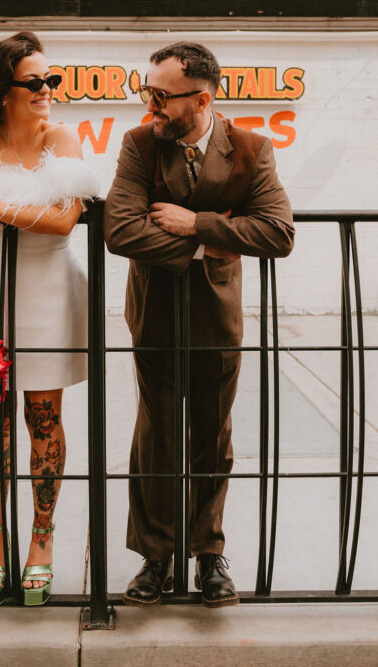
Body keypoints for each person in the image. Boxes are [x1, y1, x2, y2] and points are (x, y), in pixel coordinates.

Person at [104, 41, 294, 608]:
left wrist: (197, 223)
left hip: (216, 318)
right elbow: (118, 230)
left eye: (160, 96)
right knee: (157, 432)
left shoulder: (252, 150)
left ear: (201, 98)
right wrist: (208, 242)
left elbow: (279, 233)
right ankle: (155, 557)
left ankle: (209, 553)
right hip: (155, 313)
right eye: (147, 93)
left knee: (212, 435)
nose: (150, 106)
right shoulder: (139, 145)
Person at [0, 31, 99, 607]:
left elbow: (63, 220)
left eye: (51, 79)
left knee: (43, 418)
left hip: (49, 287)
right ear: (1, 90)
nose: (47, 90)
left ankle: (41, 540)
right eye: (34, 82)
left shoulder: (61, 136)